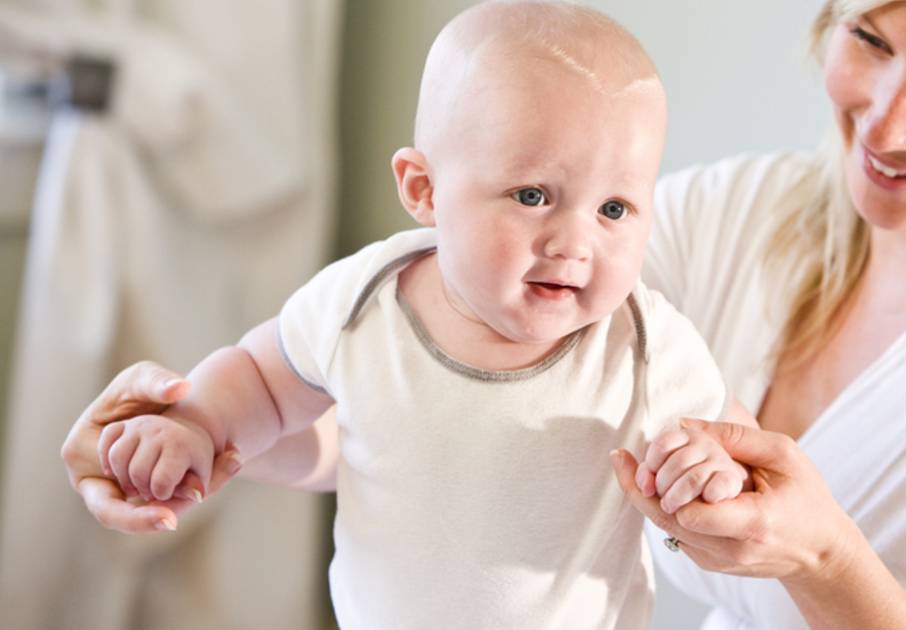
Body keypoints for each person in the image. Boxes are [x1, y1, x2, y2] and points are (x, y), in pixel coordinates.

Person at [63, 0, 906, 627]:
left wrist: (821, 560)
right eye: (869, 39)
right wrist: (207, 436)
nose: (886, 123)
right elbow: (454, 419)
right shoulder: (760, 215)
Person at [65, 2, 754, 629]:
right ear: (424, 190)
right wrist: (194, 424)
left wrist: (710, 472)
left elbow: (730, 447)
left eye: (613, 209)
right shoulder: (362, 301)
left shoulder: (644, 344)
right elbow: (260, 377)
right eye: (534, 195)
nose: (574, 243)